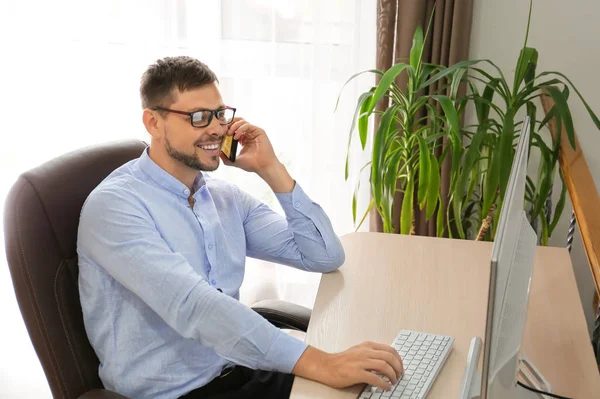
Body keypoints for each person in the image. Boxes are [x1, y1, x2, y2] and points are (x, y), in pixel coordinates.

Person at [77, 56, 403, 399]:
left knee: (377, 391)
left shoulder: (222, 197)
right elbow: (196, 308)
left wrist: (270, 167)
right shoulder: (115, 208)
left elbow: (323, 255)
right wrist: (323, 364)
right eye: (199, 117)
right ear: (153, 123)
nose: (217, 129)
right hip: (177, 394)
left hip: (241, 371)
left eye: (220, 114)